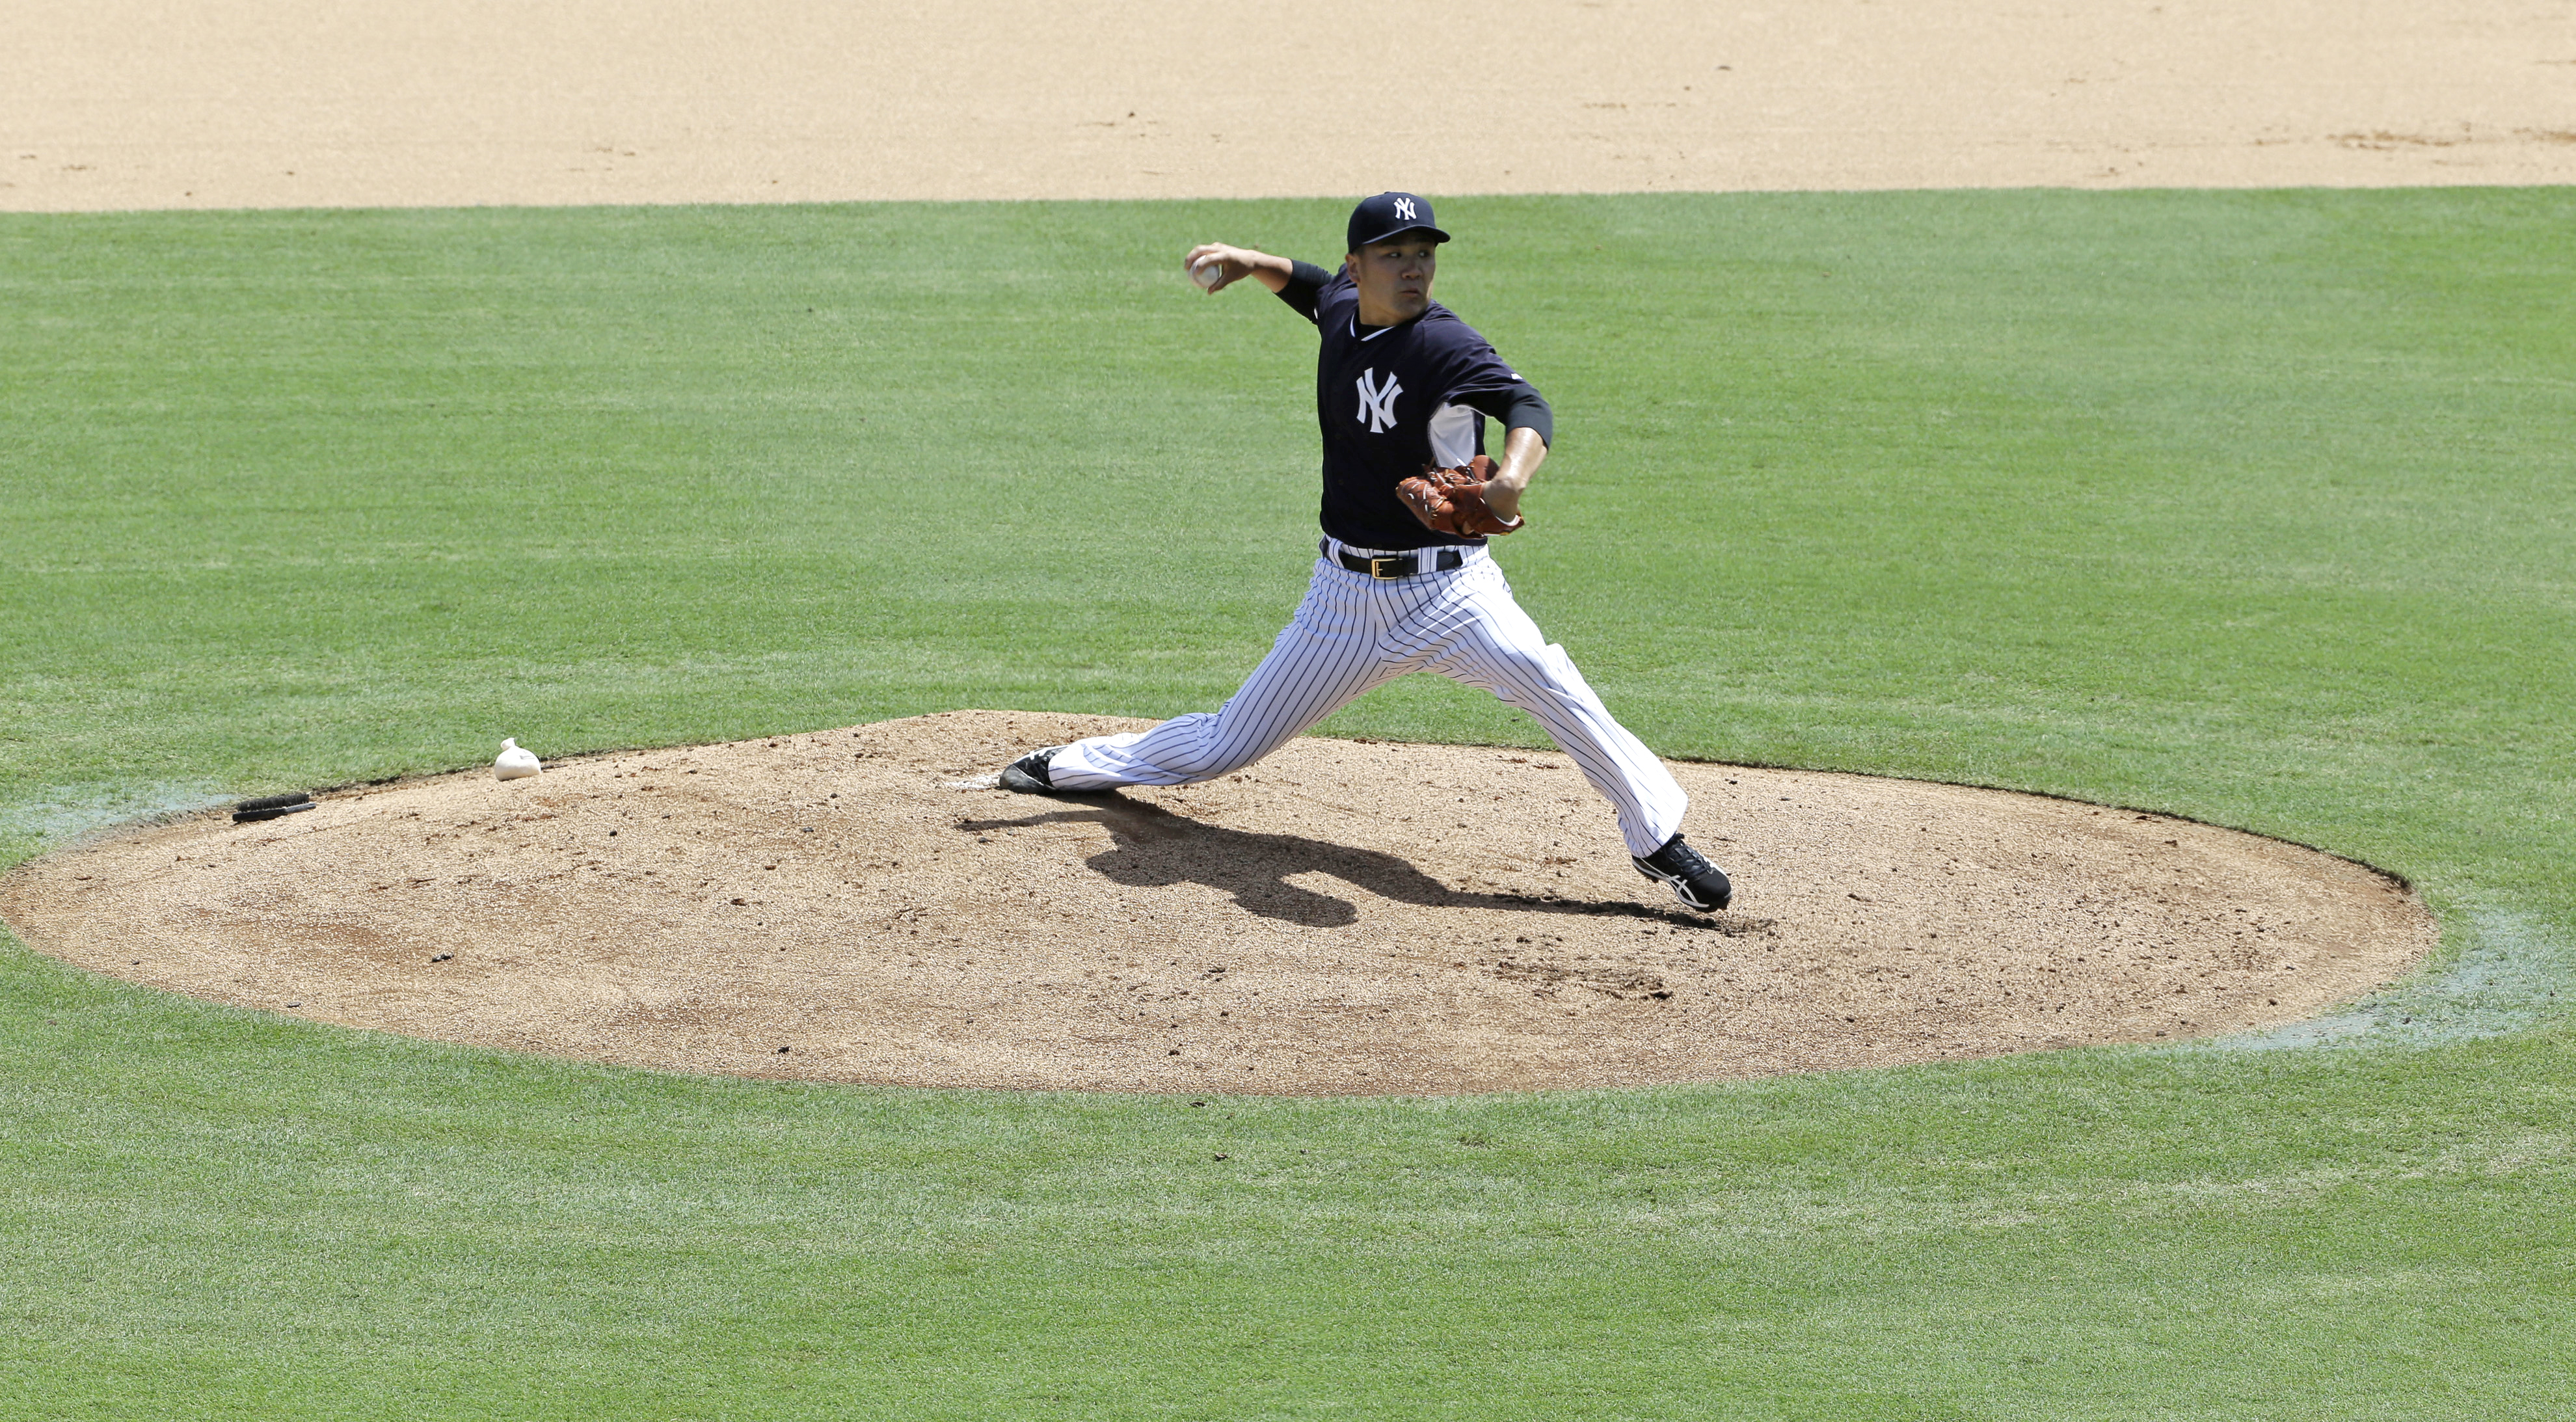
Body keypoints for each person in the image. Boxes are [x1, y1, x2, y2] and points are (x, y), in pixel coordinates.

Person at [997, 192, 1732, 913]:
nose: (1413, 268)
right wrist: (1252, 261)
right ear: (1360, 265)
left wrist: (1511, 477)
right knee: (1227, 743)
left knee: (1548, 677)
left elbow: (1527, 406)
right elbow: (1313, 288)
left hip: (1451, 596)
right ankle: (1068, 766)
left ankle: (1657, 836)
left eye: (1423, 255)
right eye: (1394, 256)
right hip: (1341, 602)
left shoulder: (1446, 344)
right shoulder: (1345, 307)